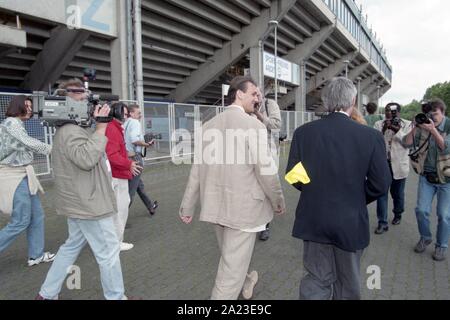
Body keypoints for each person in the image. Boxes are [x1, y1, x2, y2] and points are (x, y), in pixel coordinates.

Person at [179, 76, 285, 300]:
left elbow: (197, 170)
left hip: (216, 207)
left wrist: (187, 206)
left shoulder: (208, 126)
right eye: (254, 94)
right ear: (239, 94)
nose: (258, 99)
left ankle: (247, 281)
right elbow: (266, 171)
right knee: (227, 278)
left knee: (231, 259)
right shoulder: (254, 126)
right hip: (245, 211)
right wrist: (278, 201)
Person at [286, 77, 391, 300]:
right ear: (353, 101)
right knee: (348, 283)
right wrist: (356, 198)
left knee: (316, 279)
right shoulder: (371, 136)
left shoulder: (304, 133)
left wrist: (315, 191)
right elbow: (381, 183)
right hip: (351, 220)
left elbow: (293, 174)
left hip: (314, 218)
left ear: (325, 101)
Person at [37, 79, 128, 300]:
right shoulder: (70, 132)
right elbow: (87, 158)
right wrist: (101, 127)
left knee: (70, 247)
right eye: (81, 99)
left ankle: (46, 294)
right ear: (66, 103)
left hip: (79, 203)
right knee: (108, 253)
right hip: (89, 205)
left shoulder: (69, 130)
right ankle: (116, 297)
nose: (87, 104)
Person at [0, 95, 55, 266]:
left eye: (31, 106)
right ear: (17, 106)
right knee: (20, 221)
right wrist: (54, 149)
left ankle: (36, 255)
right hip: (13, 175)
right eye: (27, 106)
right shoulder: (11, 123)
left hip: (24, 174)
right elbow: (28, 142)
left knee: (37, 215)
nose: (30, 109)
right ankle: (35, 255)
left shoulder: (16, 123)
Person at [403, 98, 450, 261]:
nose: (432, 117)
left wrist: (433, 130)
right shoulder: (422, 127)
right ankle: (425, 237)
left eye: (435, 114)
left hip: (446, 179)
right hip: (426, 177)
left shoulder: (448, 126)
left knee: (444, 215)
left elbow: (445, 147)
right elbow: (406, 143)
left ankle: (441, 246)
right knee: (421, 210)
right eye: (430, 113)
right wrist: (415, 127)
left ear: (443, 113)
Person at [105, 102, 142, 252]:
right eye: (125, 114)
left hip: (117, 173)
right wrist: (128, 164)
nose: (126, 117)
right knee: (120, 209)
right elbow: (112, 155)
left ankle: (113, 241)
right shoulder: (113, 129)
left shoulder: (114, 127)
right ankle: (116, 242)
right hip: (117, 174)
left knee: (121, 206)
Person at [373, 103, 412, 234]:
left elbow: (408, 143)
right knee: (381, 194)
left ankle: (398, 213)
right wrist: (384, 129)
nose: (389, 112)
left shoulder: (407, 124)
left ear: (398, 112)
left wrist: (397, 130)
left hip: (399, 165)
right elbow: (374, 142)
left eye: (392, 111)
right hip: (383, 164)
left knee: (397, 194)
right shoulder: (379, 124)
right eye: (387, 110)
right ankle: (382, 222)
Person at [253, 87, 282, 242]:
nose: (255, 97)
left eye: (257, 93)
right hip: (248, 153)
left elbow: (277, 126)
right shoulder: (244, 108)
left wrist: (259, 115)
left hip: (268, 152)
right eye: (252, 94)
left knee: (266, 188)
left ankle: (265, 226)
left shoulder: (270, 105)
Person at [124, 104, 158, 216]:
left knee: (138, 185)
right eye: (138, 113)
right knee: (131, 191)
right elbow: (134, 140)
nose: (140, 115)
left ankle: (150, 206)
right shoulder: (135, 122)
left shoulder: (125, 123)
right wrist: (147, 144)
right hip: (135, 158)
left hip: (127, 157)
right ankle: (119, 217)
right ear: (131, 113)